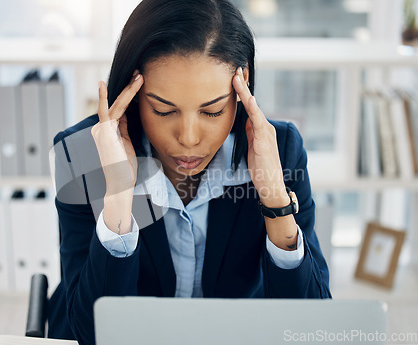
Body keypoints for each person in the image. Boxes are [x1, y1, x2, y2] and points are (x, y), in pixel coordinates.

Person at [47, 0, 331, 344]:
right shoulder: (83, 154)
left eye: (212, 111)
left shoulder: (279, 150)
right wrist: (119, 196)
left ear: (242, 87)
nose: (189, 138)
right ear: (133, 93)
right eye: (163, 110)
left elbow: (312, 326)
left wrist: (274, 199)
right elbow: (90, 334)